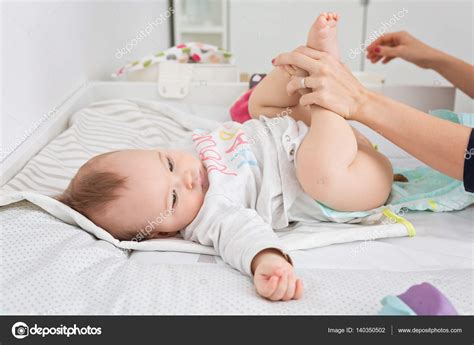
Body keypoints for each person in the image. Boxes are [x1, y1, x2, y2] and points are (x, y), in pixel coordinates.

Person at [58, 13, 394, 302]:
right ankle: (326, 91)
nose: (187, 177)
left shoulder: (183, 148)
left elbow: (226, 129)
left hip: (306, 131)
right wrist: (268, 261)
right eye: (173, 198)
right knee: (318, 173)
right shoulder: (209, 216)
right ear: (161, 234)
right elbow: (242, 236)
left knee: (257, 107)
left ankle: (305, 64)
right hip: (353, 176)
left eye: (169, 165)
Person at [271, 31, 474, 192]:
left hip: (290, 162)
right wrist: (436, 59)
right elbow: (262, 106)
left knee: (331, 174)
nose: (353, 143)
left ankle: (316, 65)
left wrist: (360, 101)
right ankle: (313, 60)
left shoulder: (329, 173)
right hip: (265, 140)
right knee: (268, 106)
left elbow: (327, 178)